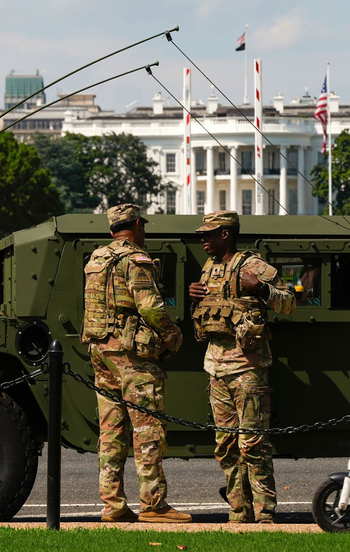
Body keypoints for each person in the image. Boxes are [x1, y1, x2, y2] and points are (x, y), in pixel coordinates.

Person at [80, 203, 190, 524]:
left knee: (111, 430)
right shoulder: (135, 259)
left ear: (112, 229)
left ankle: (112, 505)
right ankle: (153, 504)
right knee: (147, 429)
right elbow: (151, 307)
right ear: (139, 225)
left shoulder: (96, 260)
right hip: (131, 354)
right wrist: (172, 337)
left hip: (100, 351)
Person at [189, 211, 296, 524]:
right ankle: (238, 512)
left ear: (226, 234)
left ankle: (264, 515)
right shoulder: (209, 268)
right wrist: (195, 299)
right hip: (216, 368)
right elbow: (209, 313)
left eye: (208, 234)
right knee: (225, 446)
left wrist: (260, 288)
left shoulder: (254, 266)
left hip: (248, 368)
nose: (203, 240)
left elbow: (289, 302)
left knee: (253, 445)